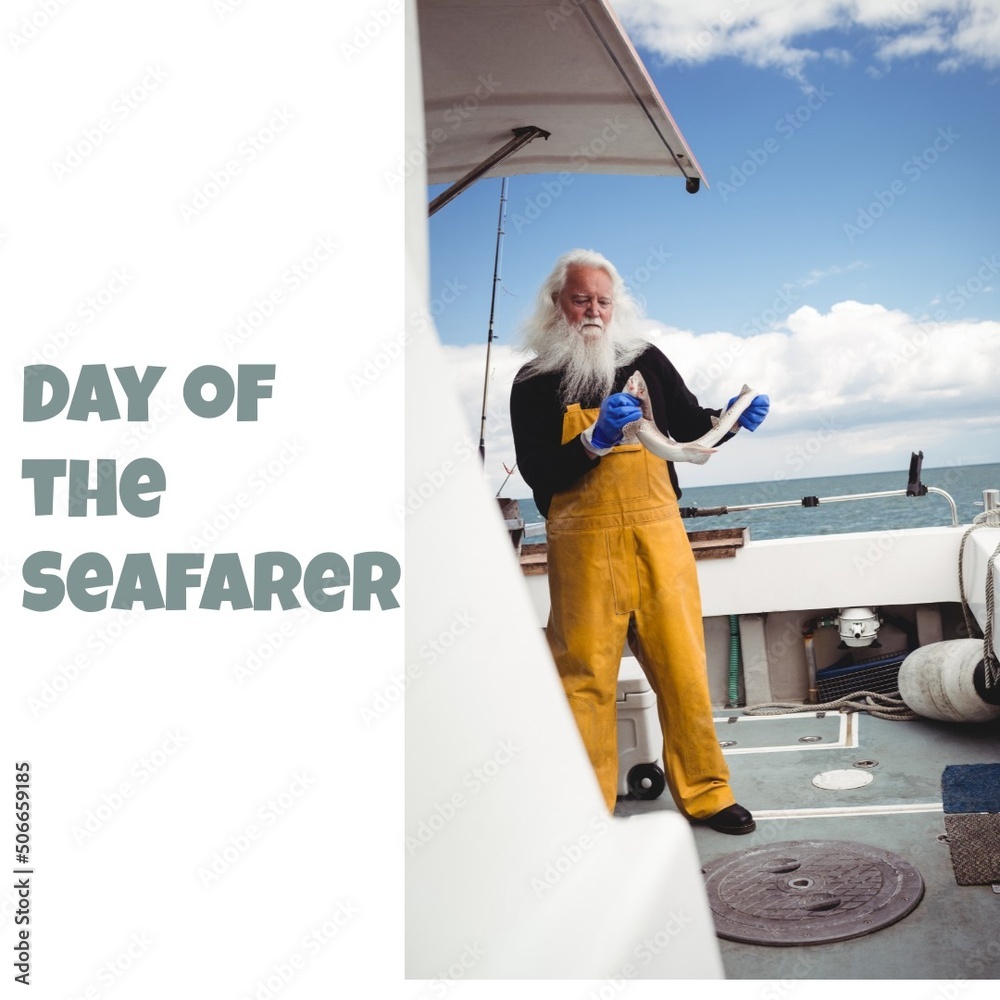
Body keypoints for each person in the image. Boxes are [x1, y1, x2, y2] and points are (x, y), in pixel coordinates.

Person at [509, 249, 769, 834]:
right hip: (583, 547)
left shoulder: (645, 359)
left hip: (660, 538)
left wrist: (732, 416)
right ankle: (585, 810)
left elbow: (689, 426)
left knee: (683, 670)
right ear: (558, 305)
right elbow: (538, 473)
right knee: (583, 680)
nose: (594, 311)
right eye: (582, 300)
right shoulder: (533, 383)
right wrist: (593, 442)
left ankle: (707, 795)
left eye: (603, 300)